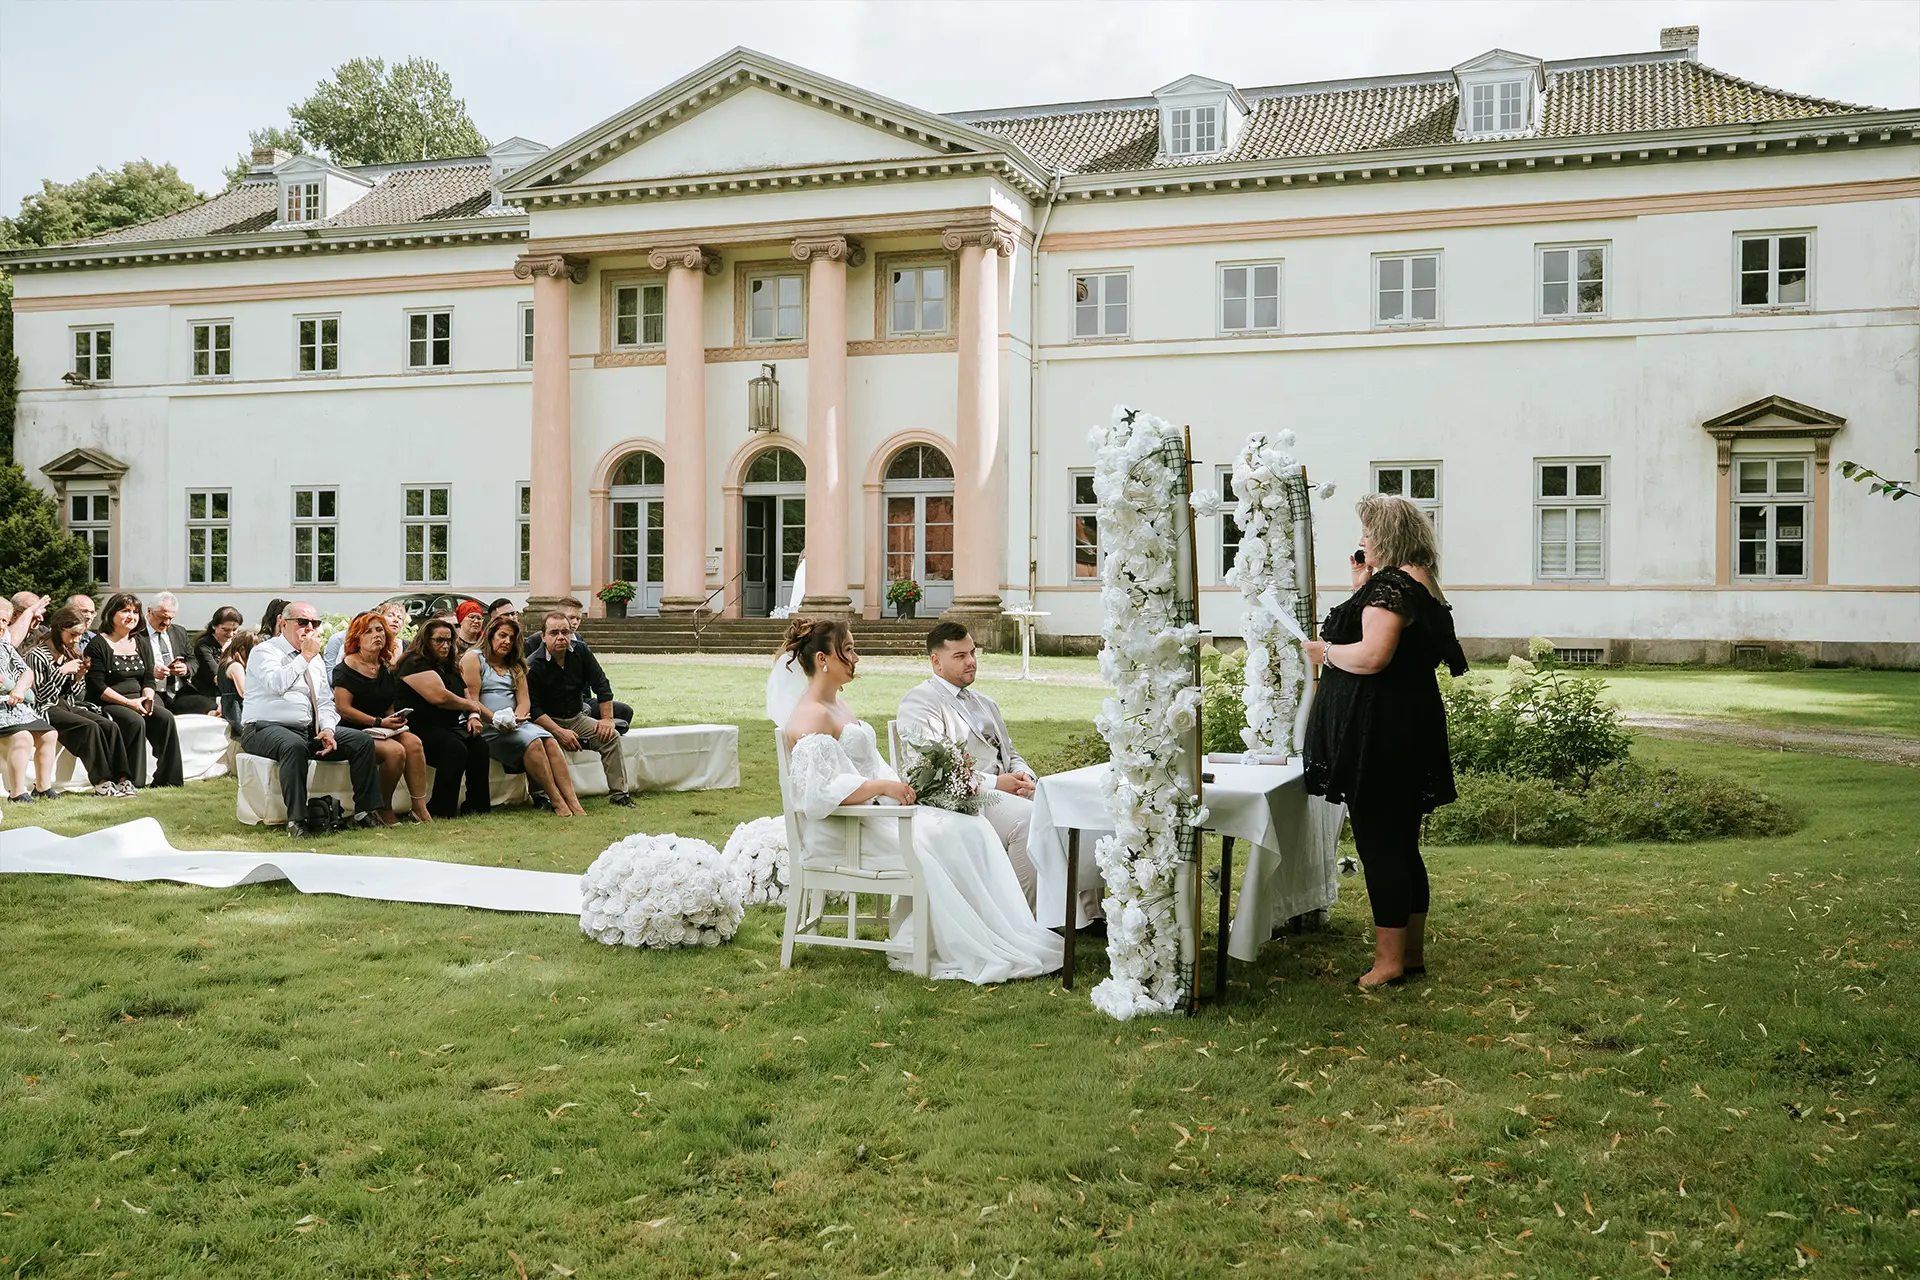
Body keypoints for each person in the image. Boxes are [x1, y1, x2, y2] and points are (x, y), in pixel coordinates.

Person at [775, 617, 1062, 984]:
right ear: (822, 659)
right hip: (846, 829)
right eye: (848, 650)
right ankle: (967, 939)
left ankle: (1006, 928)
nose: (857, 658)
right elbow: (817, 794)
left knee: (970, 827)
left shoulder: (837, 706)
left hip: (874, 814)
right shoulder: (811, 714)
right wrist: (881, 788)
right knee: (953, 836)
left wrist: (896, 789)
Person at [1303, 493, 1468, 989]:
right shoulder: (1418, 582)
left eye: (1368, 534)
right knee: (1401, 844)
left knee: (1380, 847)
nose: (1360, 542)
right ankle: (1410, 956)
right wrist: (1362, 585)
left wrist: (1324, 652)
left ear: (1389, 539)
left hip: (1381, 734)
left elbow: (1373, 656)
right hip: (1409, 726)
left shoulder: (1391, 589)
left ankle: (1389, 963)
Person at [896, 621, 1039, 912]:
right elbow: (934, 768)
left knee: (1062, 808)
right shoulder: (920, 701)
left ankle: (1083, 916)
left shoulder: (986, 702)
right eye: (960, 656)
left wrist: (1026, 777)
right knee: (1027, 820)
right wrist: (999, 784)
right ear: (936, 662)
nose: (971, 662)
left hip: (1008, 791)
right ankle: (1026, 922)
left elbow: (1009, 753)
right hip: (964, 801)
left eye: (972, 653)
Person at [239, 600, 385, 836]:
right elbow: (277, 684)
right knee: (293, 746)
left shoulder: (314, 659)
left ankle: (364, 812)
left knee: (361, 742)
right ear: (283, 623)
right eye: (302, 622)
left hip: (307, 728)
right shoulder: (265, 651)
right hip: (264, 728)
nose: (309, 628)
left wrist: (328, 729)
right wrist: (305, 656)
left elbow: (326, 702)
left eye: (314, 623)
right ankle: (296, 820)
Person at [462, 614, 583, 817]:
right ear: (490, 635)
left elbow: (524, 700)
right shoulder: (474, 659)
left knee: (550, 740)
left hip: (516, 724)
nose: (507, 642)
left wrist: (515, 719)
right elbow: (472, 700)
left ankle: (573, 801)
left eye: (511, 638)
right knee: (534, 741)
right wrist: (496, 719)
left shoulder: (516, 665)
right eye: (502, 636)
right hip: (488, 726)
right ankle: (557, 800)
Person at [331, 611, 432, 824]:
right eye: (368, 631)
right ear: (357, 638)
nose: (377, 635)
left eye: (380, 630)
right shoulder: (346, 667)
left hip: (382, 726)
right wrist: (378, 722)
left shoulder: (384, 667)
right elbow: (343, 709)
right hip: (354, 729)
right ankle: (383, 806)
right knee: (395, 752)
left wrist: (396, 719)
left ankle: (419, 808)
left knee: (414, 743)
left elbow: (387, 705)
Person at [25, 606, 136, 797]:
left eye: (80, 635)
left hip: (68, 704)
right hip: (45, 708)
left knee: (109, 725)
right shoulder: (36, 655)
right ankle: (102, 783)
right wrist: (61, 672)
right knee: (89, 727)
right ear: (60, 628)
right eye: (74, 634)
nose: (77, 639)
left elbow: (76, 694)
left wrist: (77, 678)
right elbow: (41, 696)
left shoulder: (71, 652)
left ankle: (122, 780)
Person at [527, 610, 633, 809]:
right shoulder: (532, 665)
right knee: (536, 742)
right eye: (554, 632)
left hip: (576, 716)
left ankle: (620, 795)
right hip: (546, 721)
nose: (561, 637)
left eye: (565, 632)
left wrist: (607, 719)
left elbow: (602, 686)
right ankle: (541, 797)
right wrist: (559, 732)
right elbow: (534, 709)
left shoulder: (581, 651)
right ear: (543, 636)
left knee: (611, 737)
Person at [394, 619, 493, 819]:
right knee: (454, 749)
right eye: (439, 640)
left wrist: (473, 715)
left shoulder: (448, 664)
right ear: (425, 640)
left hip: (448, 725)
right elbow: (439, 697)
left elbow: (465, 692)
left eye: (449, 641)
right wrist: (472, 706)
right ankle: (441, 809)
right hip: (417, 726)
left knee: (480, 746)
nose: (445, 645)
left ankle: (477, 806)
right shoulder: (413, 662)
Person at [84, 592, 184, 789]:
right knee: (135, 720)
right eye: (125, 611)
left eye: (135, 612)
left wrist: (147, 699)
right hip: (109, 702)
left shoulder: (140, 642)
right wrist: (131, 704)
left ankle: (168, 779)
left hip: (139, 699)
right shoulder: (97, 644)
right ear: (111, 614)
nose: (131, 616)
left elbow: (148, 678)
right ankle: (131, 780)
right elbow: (98, 686)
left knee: (165, 718)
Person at [523, 597, 633, 727]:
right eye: (571, 618)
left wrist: (607, 719)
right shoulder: (534, 643)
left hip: (579, 698)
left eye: (578, 618)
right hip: (551, 705)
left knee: (623, 712)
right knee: (585, 710)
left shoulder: (579, 644)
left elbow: (600, 682)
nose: (575, 622)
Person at [0, 598, 60, 802]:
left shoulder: (5, 647)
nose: (1, 626)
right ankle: (16, 793)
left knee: (49, 734)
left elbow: (27, 672)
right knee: (22, 736)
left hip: (14, 705)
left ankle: (42, 787)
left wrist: (19, 688)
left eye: (4, 621)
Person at [322, 600, 406, 674]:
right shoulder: (347, 665)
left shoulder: (385, 661)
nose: (396, 620)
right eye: (390, 615)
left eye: (400, 618)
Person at [190, 606, 243, 708]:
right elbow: (217, 678)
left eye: (234, 629)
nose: (230, 634)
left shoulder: (238, 643)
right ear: (214, 626)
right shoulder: (204, 645)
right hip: (208, 695)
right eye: (225, 630)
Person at [218, 629, 260, 734]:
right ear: (242, 649)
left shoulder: (224, 664)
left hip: (228, 709)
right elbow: (244, 692)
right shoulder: (236, 666)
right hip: (237, 711)